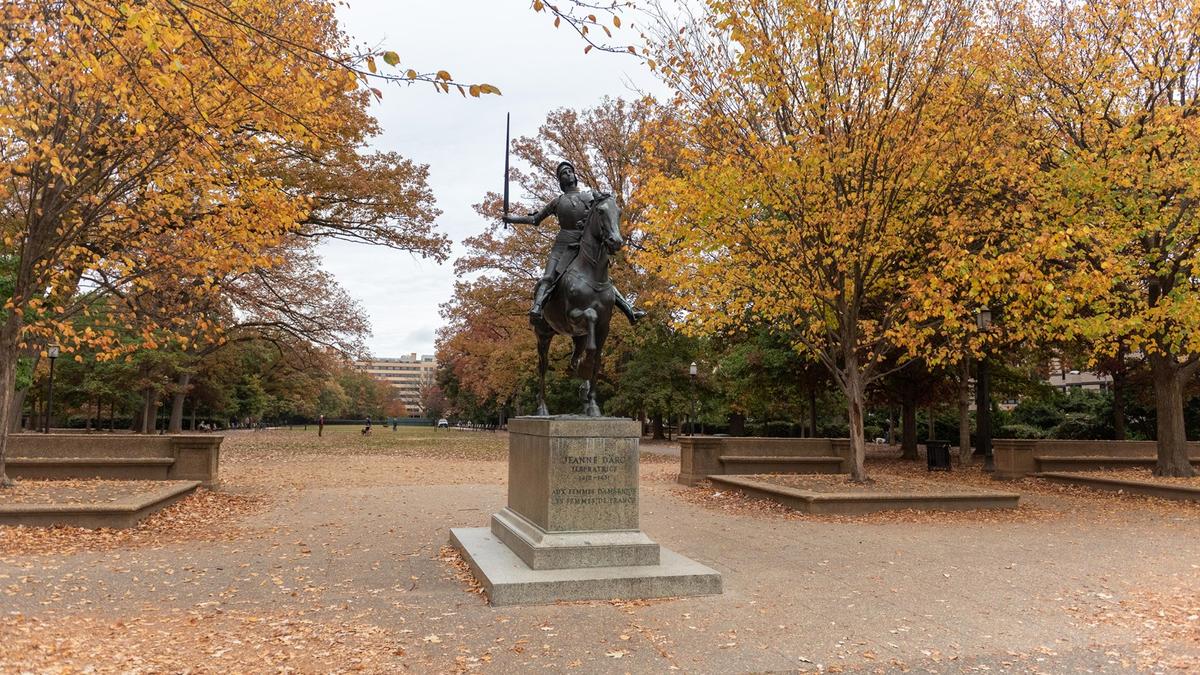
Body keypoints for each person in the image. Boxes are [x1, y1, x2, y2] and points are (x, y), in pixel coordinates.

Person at [503, 161, 645, 324]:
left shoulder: (589, 196)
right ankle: (537, 307)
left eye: (570, 171)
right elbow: (535, 219)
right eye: (564, 173)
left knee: (603, 279)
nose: (568, 174)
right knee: (549, 276)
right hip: (562, 246)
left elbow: (604, 210)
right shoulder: (557, 202)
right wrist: (512, 219)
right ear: (560, 180)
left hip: (584, 244)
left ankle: (629, 310)